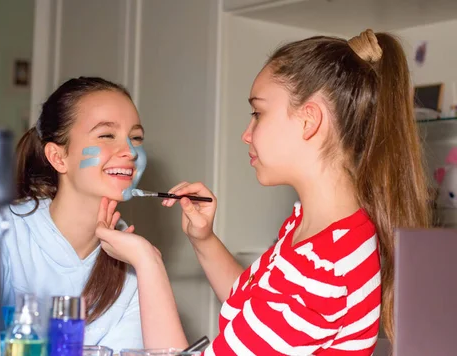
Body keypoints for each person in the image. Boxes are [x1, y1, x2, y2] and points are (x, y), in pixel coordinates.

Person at [95, 29, 431, 355]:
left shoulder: (324, 265)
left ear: (308, 120)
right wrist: (204, 240)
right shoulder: (316, 232)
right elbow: (256, 309)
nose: (247, 133)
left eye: (258, 113)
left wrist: (146, 261)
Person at [0, 77, 146, 351]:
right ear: (58, 157)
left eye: (135, 138)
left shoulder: (136, 261)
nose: (130, 152)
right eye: (106, 135)